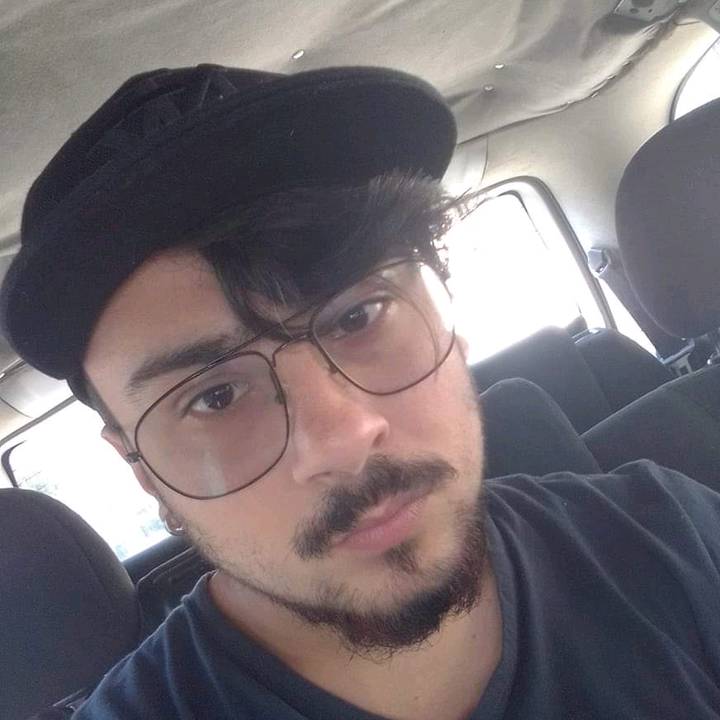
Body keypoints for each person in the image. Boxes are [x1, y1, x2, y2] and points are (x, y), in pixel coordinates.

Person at [2, 64, 719, 720]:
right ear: (141, 470)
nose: (341, 439)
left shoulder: (667, 535)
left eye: (358, 316)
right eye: (213, 397)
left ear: (449, 318)